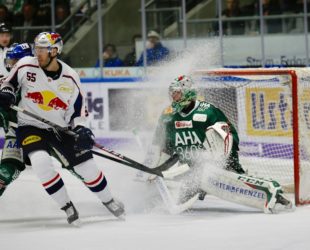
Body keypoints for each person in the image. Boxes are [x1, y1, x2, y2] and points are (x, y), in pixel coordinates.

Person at [0, 31, 125, 225]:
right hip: (30, 126)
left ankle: (108, 200)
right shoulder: (25, 65)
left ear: (55, 51)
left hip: (60, 129)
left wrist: (82, 129)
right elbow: (9, 82)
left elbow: (78, 113)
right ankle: (67, 206)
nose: (38, 52)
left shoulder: (71, 77)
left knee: (88, 169)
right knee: (41, 162)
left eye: (43, 49)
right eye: (37, 48)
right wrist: (6, 93)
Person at [146, 75, 292, 214]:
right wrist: (156, 168)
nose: (173, 97)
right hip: (191, 172)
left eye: (177, 93)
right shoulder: (168, 116)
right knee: (181, 199)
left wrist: (221, 160)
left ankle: (277, 197)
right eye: (172, 94)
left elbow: (229, 135)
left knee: (243, 187)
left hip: (218, 166)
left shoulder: (208, 111)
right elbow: (164, 146)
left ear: (187, 93)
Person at [0, 42, 33, 198]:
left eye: (14, 62)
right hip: (16, 131)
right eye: (10, 61)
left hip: (44, 131)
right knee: (6, 171)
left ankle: (105, 196)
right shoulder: (6, 81)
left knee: (76, 164)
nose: (10, 65)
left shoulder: (38, 79)